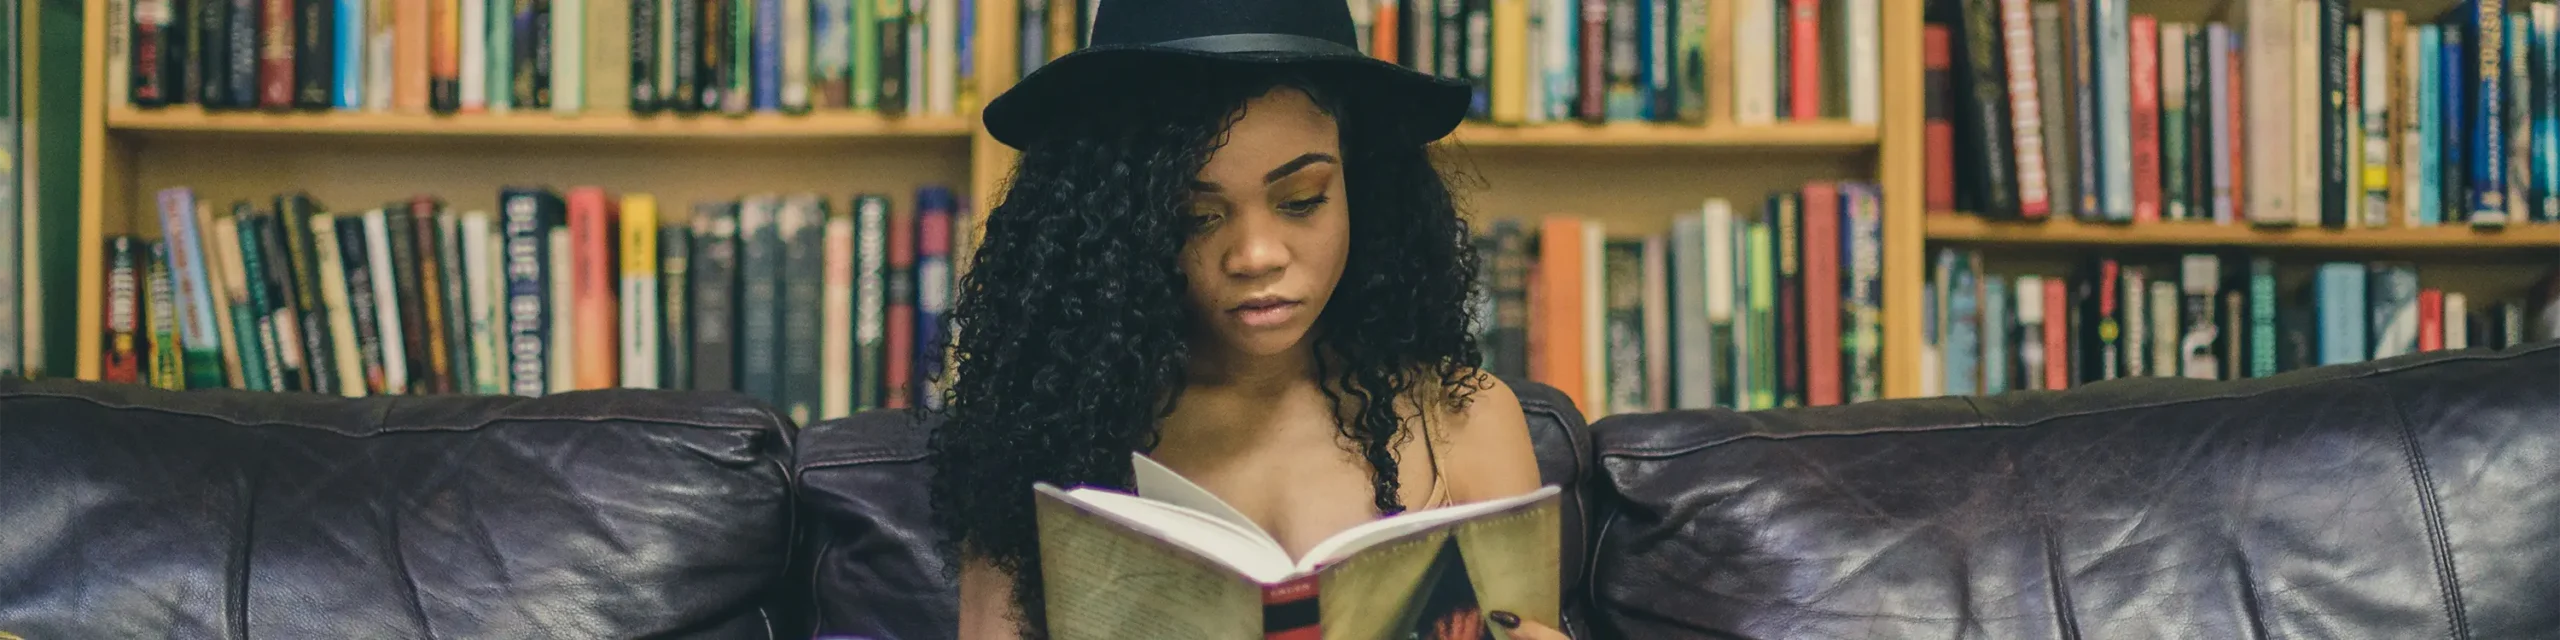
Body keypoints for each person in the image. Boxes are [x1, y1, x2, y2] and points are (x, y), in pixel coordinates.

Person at [927, 0, 1569, 637]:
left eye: (1301, 201)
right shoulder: (1048, 435)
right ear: (1126, 227)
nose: (1256, 256)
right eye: (1197, 216)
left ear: (1363, 191)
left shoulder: (1467, 423)